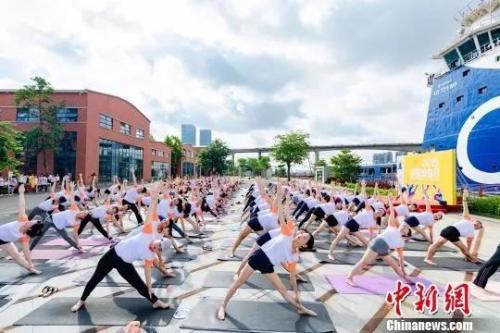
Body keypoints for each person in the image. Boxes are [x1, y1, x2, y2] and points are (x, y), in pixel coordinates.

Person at [71, 185, 170, 312]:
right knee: (96, 278)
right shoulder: (148, 233)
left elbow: (148, 272)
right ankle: (81, 301)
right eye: (157, 244)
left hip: (125, 264)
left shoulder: (150, 255)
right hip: (112, 255)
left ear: (158, 251)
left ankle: (156, 302)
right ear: (157, 240)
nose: (155, 246)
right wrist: (154, 199)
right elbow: (151, 214)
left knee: (139, 284)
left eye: (157, 248)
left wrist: (150, 287)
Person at [217, 194, 316, 320]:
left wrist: (297, 294)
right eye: (303, 233)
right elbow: (281, 214)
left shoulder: (294, 255)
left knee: (283, 290)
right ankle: (223, 306)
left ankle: (301, 309)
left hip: (269, 266)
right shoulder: (288, 233)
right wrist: (280, 195)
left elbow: (292, 277)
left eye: (304, 237)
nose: (301, 235)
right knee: (238, 283)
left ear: (305, 245)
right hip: (258, 257)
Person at [346, 199, 413, 286]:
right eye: (403, 227)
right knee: (364, 262)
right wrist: (391, 202)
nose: (403, 227)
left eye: (406, 229)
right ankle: (349, 278)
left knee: (395, 266)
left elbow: (401, 259)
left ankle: (405, 278)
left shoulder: (401, 243)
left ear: (407, 235)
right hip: (377, 244)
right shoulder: (392, 226)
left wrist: (405, 273)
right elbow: (392, 213)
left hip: (384, 249)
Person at [425, 189, 484, 265]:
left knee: (464, 249)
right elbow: (465, 205)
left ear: (478, 228)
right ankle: (427, 259)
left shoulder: (472, 233)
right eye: (477, 222)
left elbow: (469, 243)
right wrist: (464, 196)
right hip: (450, 229)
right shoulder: (467, 218)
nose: (477, 224)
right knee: (437, 244)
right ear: (473, 221)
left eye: (479, 225)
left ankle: (471, 258)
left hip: (455, 235)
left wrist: (467, 254)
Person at [29, 182, 88, 251]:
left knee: (66, 237)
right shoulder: (75, 209)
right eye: (83, 211)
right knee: (40, 235)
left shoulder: (77, 223)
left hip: (59, 226)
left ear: (83, 217)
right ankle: (29, 250)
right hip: (51, 219)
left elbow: (75, 234)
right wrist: (72, 188)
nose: (82, 212)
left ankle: (78, 248)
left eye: (84, 213)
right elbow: (72, 198)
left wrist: (78, 243)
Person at [0, 184, 44, 274]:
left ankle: (30, 269)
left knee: (16, 256)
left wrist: (30, 263)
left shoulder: (24, 238)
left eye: (32, 223)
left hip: (5, 241)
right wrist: (21, 193)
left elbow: (26, 251)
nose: (30, 221)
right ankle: (30, 267)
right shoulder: (23, 219)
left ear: (30, 229)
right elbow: (22, 206)